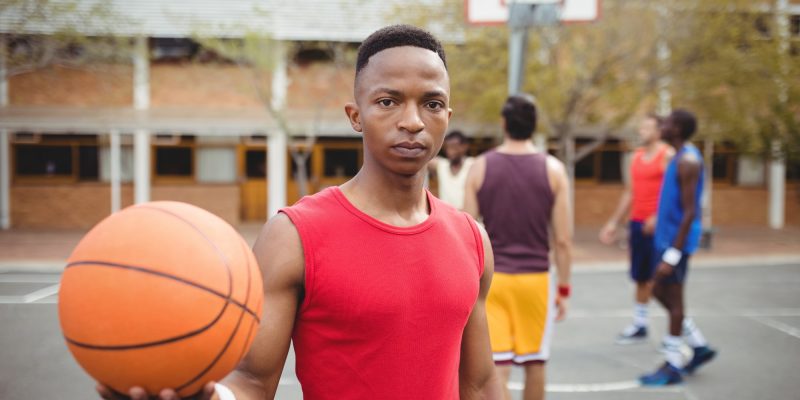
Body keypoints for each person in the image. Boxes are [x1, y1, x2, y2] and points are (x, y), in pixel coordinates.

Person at [97, 25, 502, 400]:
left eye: (432, 104)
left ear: (447, 119)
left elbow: (481, 385)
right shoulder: (294, 236)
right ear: (356, 115)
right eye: (388, 101)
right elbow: (252, 380)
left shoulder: (471, 238)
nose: (412, 121)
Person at [464, 94, 572, 400]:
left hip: (493, 280)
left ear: (503, 124)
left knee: (498, 366)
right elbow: (562, 239)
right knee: (535, 362)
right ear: (534, 125)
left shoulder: (480, 166)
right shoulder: (554, 170)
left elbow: (468, 230)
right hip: (535, 279)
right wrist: (564, 289)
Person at [639, 109, 717, 386]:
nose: (663, 125)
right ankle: (697, 345)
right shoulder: (678, 156)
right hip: (667, 239)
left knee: (673, 301)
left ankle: (672, 365)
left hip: (676, 244)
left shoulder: (688, 161)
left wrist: (673, 253)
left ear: (679, 129)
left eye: (669, 122)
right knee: (661, 292)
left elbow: (690, 212)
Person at [599, 114, 673, 344]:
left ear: (659, 131)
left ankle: (677, 331)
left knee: (660, 280)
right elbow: (629, 193)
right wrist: (614, 222)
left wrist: (659, 217)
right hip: (638, 223)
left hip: (658, 227)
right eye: (641, 127)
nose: (642, 131)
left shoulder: (667, 155)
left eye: (647, 128)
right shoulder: (636, 157)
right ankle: (640, 325)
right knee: (641, 277)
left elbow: (672, 193)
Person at [428, 130, 475, 209]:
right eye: (447, 147)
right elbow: (422, 160)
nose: (450, 151)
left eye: (454, 147)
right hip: (447, 217)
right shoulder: (441, 165)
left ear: (464, 146)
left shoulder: (473, 165)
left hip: (468, 217)